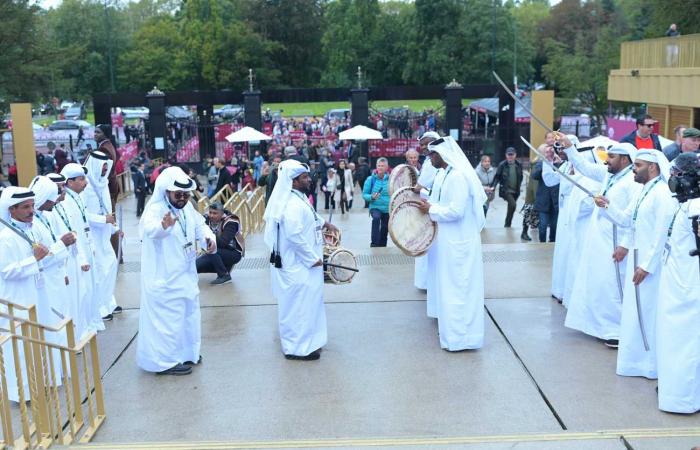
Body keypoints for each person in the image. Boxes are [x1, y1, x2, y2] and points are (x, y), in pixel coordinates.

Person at [594, 149, 675, 379]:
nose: (633, 169)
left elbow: (661, 233)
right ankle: (635, 362)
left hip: (651, 266)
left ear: (652, 167)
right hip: (637, 260)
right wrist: (606, 206)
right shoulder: (642, 190)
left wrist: (647, 265)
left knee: (647, 313)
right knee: (634, 313)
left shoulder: (662, 193)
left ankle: (650, 365)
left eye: (638, 165)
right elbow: (628, 221)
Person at [137, 167, 217, 376]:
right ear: (166, 192)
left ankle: (188, 353)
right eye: (178, 194)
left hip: (186, 275)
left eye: (185, 194)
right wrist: (163, 227)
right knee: (168, 322)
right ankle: (165, 362)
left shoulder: (186, 208)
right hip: (164, 279)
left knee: (189, 316)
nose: (182, 198)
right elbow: (150, 230)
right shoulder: (154, 210)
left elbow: (200, 226)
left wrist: (209, 240)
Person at [561, 142, 639, 348]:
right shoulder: (609, 175)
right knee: (599, 285)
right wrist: (569, 148)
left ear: (624, 159)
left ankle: (616, 331)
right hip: (600, 240)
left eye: (611, 156)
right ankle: (600, 326)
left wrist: (624, 244)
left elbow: (633, 220)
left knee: (613, 286)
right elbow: (584, 167)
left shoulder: (633, 182)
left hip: (616, 244)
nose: (606, 160)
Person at [263, 159, 339, 360]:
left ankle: (310, 343)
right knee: (298, 308)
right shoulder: (291, 204)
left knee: (309, 305)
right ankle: (297, 349)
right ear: (293, 181)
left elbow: (311, 216)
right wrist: (312, 258)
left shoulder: (299, 198)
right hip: (297, 266)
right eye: (304, 177)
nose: (308, 180)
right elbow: (294, 235)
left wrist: (325, 225)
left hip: (305, 266)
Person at [418, 136, 487, 351]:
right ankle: (451, 335)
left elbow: (456, 211)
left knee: (460, 290)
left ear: (443, 155)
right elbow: (439, 200)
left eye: (432, 155)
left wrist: (430, 209)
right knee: (448, 289)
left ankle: (462, 339)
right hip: (446, 241)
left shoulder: (457, 177)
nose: (429, 158)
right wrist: (423, 198)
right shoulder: (442, 174)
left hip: (459, 242)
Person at [0, 187, 53, 402]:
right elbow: (7, 271)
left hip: (34, 296)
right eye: (26, 207)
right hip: (15, 301)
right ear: (11, 209)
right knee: (19, 350)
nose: (32, 210)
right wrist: (35, 260)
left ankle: (36, 387)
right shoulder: (5, 237)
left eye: (32, 206)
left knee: (35, 344)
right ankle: (21, 394)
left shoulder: (30, 228)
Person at [656, 154, 700, 413]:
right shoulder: (685, 205)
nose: (672, 180)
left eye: (677, 175)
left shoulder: (696, 209)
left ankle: (683, 399)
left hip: (688, 289)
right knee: (674, 342)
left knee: (685, 344)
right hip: (676, 286)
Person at [60, 163, 103, 338]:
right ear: (69, 182)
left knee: (92, 287)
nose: (85, 182)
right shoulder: (66, 201)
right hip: (77, 253)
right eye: (81, 179)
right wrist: (82, 258)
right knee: (82, 291)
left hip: (86, 246)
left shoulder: (78, 197)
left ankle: (92, 321)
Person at [82, 151, 121, 321]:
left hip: (105, 234)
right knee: (100, 271)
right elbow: (82, 215)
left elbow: (106, 209)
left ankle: (109, 302)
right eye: (103, 167)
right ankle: (99, 308)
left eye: (107, 167)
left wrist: (115, 227)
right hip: (92, 237)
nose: (105, 170)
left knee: (111, 267)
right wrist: (102, 219)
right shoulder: (84, 186)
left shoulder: (103, 183)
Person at [412, 131, 440, 294]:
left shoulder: (431, 163)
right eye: (421, 144)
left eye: (425, 144)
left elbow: (419, 187)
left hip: (430, 208)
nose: (422, 148)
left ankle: (427, 282)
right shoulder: (430, 162)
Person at [196, 202, 244, 285]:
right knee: (195, 266)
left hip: (234, 253)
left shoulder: (232, 221)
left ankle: (224, 275)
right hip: (216, 253)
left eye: (215, 213)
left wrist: (208, 234)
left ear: (222, 213)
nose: (211, 215)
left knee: (211, 248)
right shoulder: (206, 219)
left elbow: (222, 243)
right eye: (210, 212)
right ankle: (225, 268)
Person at [531, 147, 559, 243]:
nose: (548, 154)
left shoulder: (559, 164)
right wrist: (545, 164)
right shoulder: (540, 163)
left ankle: (552, 243)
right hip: (544, 201)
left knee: (554, 226)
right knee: (542, 226)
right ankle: (542, 244)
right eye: (546, 152)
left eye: (550, 152)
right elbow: (534, 176)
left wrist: (555, 163)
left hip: (555, 202)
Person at [491, 147, 524, 228]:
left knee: (511, 207)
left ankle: (507, 224)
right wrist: (493, 187)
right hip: (506, 190)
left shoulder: (518, 165)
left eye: (512, 155)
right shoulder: (502, 165)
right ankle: (507, 224)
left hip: (516, 191)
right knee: (513, 204)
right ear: (506, 155)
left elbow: (521, 177)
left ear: (515, 155)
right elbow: (497, 177)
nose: (510, 156)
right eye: (508, 155)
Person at [362, 158, 391, 247]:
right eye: (379, 166)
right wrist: (371, 197)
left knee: (385, 227)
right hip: (375, 207)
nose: (380, 168)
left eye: (383, 166)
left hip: (387, 208)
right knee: (376, 218)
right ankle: (374, 243)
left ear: (387, 167)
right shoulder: (370, 179)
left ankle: (383, 244)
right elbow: (364, 194)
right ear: (376, 167)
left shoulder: (391, 179)